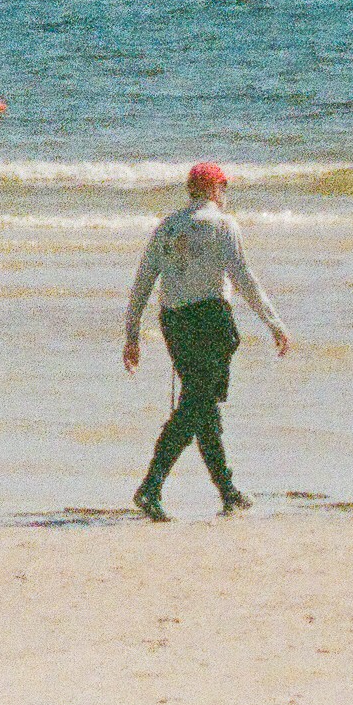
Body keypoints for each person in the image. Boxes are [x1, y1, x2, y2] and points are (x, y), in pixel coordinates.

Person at [124, 160, 291, 517]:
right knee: (196, 406)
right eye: (224, 189)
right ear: (215, 190)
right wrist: (274, 323)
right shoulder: (222, 224)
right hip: (211, 321)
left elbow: (142, 282)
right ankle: (150, 487)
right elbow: (244, 278)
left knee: (203, 406)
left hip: (174, 323)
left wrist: (132, 335)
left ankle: (227, 491)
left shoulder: (167, 227)